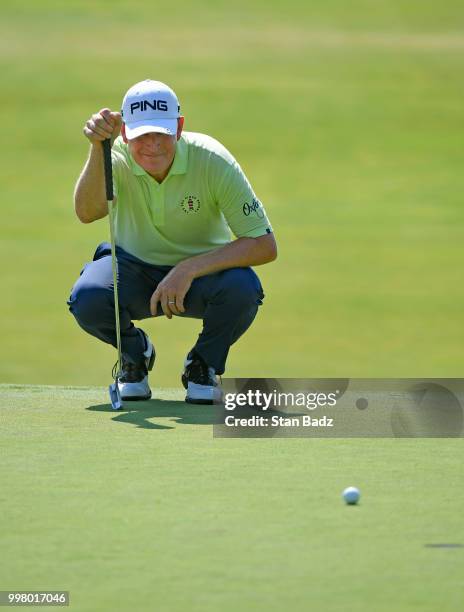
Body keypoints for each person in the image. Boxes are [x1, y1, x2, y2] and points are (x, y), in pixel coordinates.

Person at [68, 79, 277, 404]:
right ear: (124, 134)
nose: (152, 144)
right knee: (88, 297)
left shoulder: (211, 159)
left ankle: (202, 365)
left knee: (243, 290)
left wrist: (189, 269)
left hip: (203, 278)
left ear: (178, 127)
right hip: (132, 270)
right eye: (140, 135)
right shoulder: (115, 156)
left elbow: (264, 244)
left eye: (161, 133)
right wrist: (98, 147)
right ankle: (134, 356)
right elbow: (86, 212)